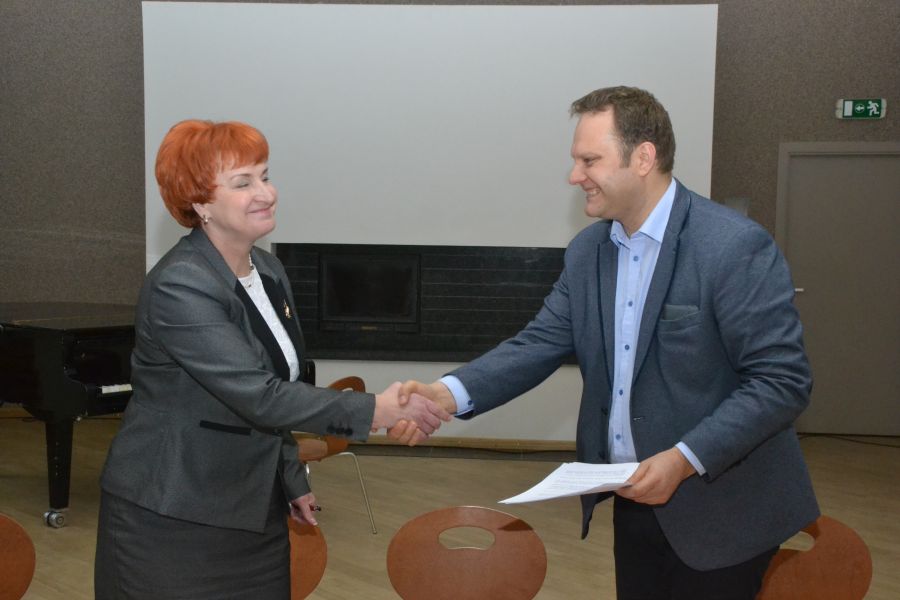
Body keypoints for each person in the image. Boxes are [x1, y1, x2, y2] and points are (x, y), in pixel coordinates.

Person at [398, 86, 819, 599]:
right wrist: (444, 395)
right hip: (634, 497)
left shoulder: (731, 246)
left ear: (643, 158)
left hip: (724, 508)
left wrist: (683, 458)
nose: (574, 176)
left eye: (589, 160)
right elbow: (537, 344)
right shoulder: (587, 252)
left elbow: (781, 381)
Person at [95, 119, 450, 599]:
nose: (266, 193)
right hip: (173, 515)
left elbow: (279, 386)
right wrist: (379, 411)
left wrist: (290, 478)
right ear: (200, 203)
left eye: (264, 176)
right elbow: (259, 396)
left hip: (253, 508)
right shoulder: (181, 284)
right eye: (243, 183)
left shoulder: (267, 268)